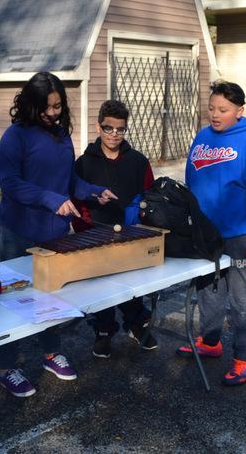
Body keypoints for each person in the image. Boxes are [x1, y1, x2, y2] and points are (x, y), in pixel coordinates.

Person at [0, 71, 116, 397]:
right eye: (46, 107)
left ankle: (50, 353)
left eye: (58, 106)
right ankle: (6, 366)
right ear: (30, 105)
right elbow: (10, 184)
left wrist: (93, 191)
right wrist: (51, 199)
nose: (52, 113)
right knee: (13, 298)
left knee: (51, 296)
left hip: (54, 232)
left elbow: (68, 180)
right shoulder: (15, 136)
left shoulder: (61, 135)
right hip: (19, 231)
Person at [177, 80, 246, 386]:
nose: (215, 114)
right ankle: (210, 342)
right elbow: (191, 180)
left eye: (223, 110)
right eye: (211, 108)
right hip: (207, 234)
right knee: (208, 292)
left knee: (243, 300)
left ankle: (245, 358)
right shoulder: (202, 136)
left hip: (240, 237)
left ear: (239, 110)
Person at [72, 99, 157, 359]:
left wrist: (142, 225)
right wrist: (85, 230)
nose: (114, 134)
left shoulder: (138, 161)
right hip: (94, 234)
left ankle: (136, 324)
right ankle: (103, 331)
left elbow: (149, 196)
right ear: (98, 127)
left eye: (120, 129)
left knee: (131, 285)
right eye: (108, 128)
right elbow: (76, 200)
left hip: (130, 235)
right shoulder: (83, 163)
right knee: (100, 287)